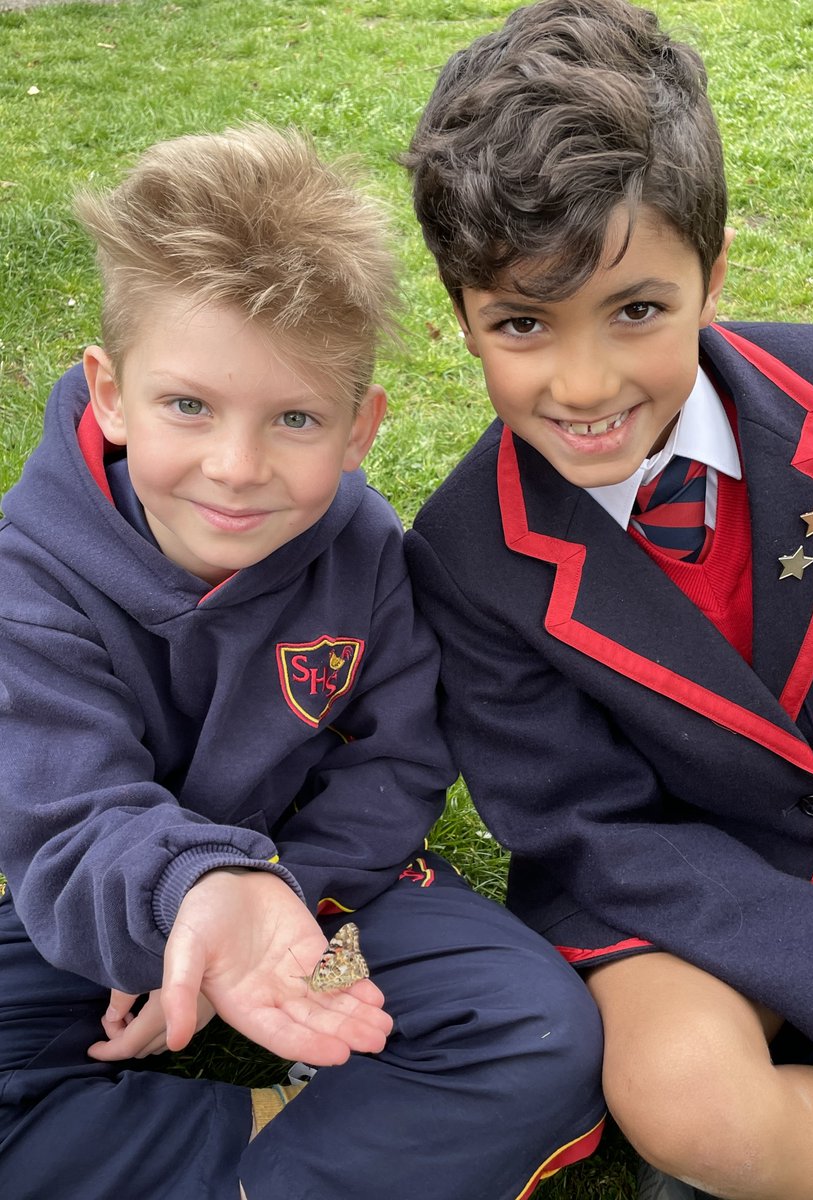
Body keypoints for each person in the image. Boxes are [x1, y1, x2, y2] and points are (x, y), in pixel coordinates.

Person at [0, 123, 606, 1200]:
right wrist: (175, 916)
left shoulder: (369, 553)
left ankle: (256, 1163)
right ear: (107, 392)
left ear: (361, 427)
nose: (236, 470)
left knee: (539, 1028)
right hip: (100, 906)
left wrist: (278, 894)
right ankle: (282, 1135)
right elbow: (70, 816)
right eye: (189, 405)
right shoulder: (27, 578)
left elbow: (398, 766)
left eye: (294, 418)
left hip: (326, 891)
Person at [402, 2, 813, 1198]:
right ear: (461, 321)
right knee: (695, 1103)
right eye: (523, 323)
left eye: (636, 309)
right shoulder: (465, 553)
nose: (585, 383)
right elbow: (588, 829)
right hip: (666, 891)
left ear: (712, 275)